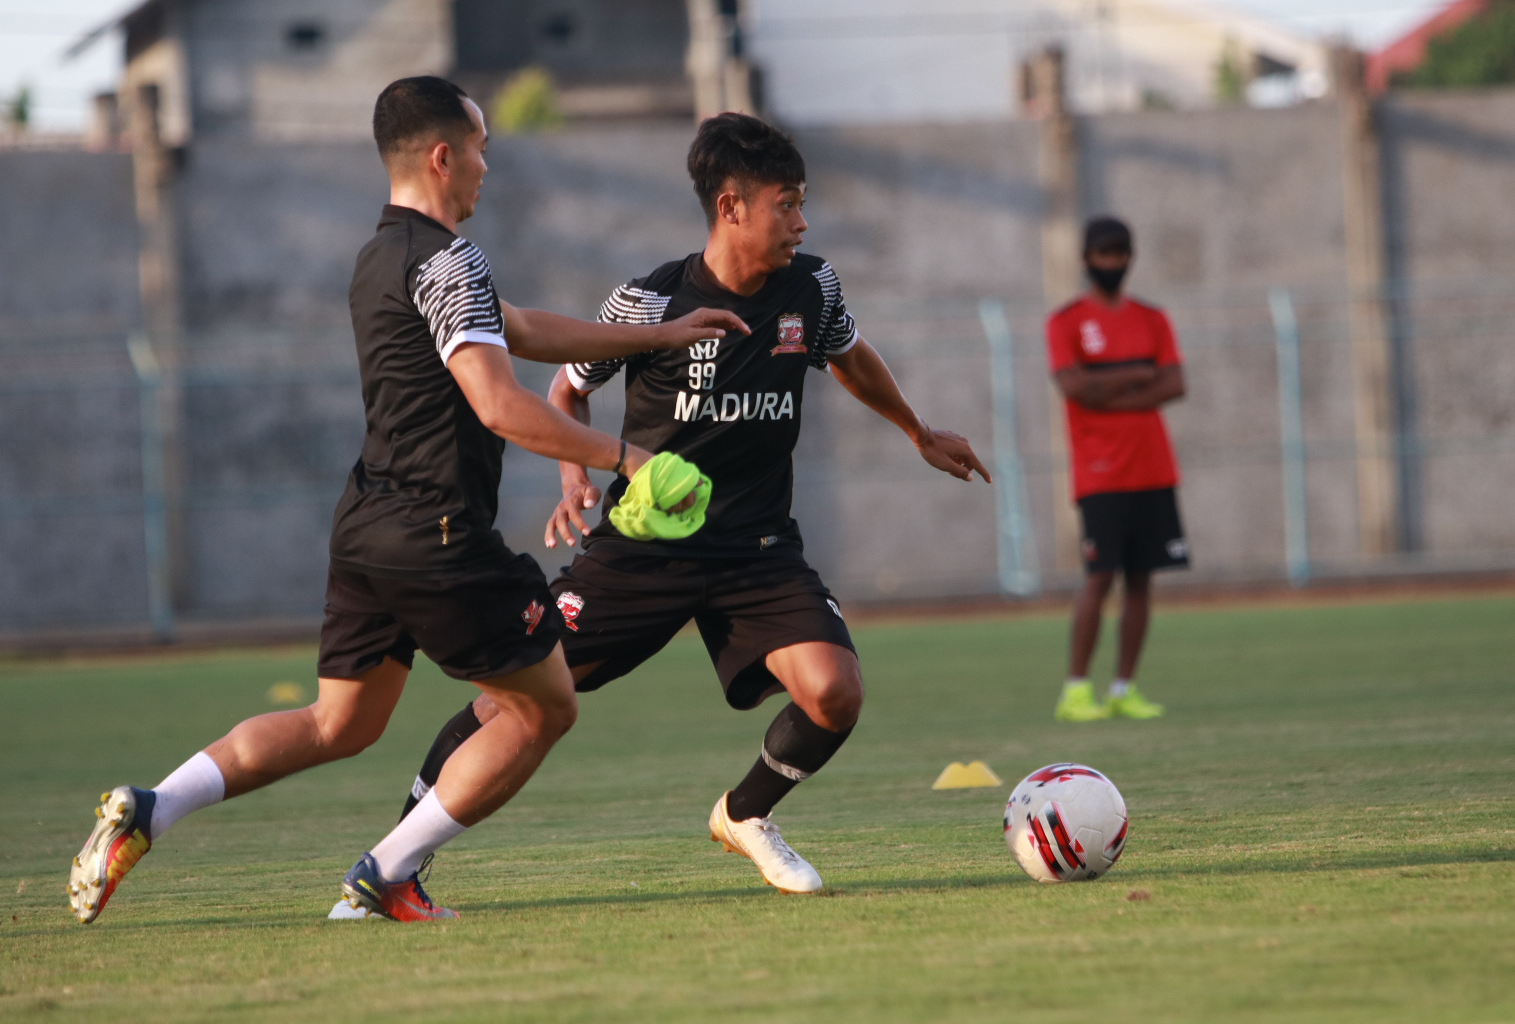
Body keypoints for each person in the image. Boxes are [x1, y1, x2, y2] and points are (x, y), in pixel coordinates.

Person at [66, 76, 745, 924]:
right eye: (481, 148)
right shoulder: (448, 257)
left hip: (366, 526)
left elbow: (519, 326)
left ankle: (149, 804)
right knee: (546, 706)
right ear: (441, 155)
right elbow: (500, 403)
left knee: (336, 723)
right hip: (440, 534)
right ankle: (388, 871)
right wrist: (627, 456)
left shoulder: (379, 256)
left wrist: (659, 333)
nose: (487, 166)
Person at [374, 111, 990, 900]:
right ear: (731, 206)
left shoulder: (814, 287)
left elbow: (848, 356)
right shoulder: (649, 300)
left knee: (835, 690)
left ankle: (744, 814)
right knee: (511, 695)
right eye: (786, 204)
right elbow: (570, 381)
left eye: (802, 205)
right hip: (642, 553)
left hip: (756, 549)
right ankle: (394, 862)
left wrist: (916, 429)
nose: (800, 222)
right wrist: (574, 470)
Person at [1047, 216, 1188, 723]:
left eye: (1120, 253)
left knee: (1142, 580)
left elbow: (1175, 384)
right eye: (1104, 254)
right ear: (1086, 259)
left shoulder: (1152, 318)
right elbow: (1074, 388)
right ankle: (1077, 689)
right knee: (1099, 576)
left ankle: (1125, 687)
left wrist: (1107, 388)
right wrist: (1136, 376)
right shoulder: (1065, 322)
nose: (1113, 263)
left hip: (1153, 468)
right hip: (1101, 472)